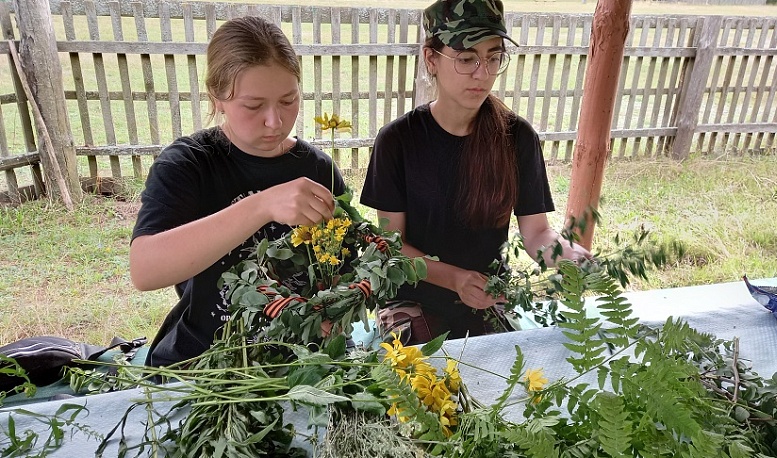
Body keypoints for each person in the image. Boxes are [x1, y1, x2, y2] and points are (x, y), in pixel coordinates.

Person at [360, 0, 592, 345]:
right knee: (425, 382)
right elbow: (392, 248)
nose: (482, 74)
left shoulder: (517, 138)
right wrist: (455, 278)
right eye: (467, 58)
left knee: (510, 379)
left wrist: (566, 255)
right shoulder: (398, 141)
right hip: (412, 295)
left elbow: (537, 233)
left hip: (488, 293)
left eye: (493, 57)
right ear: (431, 59)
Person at [130, 17, 344, 367]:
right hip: (206, 361)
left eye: (288, 101)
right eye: (254, 106)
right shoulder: (188, 164)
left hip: (297, 363)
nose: (274, 121)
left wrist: (332, 307)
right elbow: (144, 270)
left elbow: (339, 263)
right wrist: (261, 206)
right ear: (218, 97)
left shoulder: (317, 168)